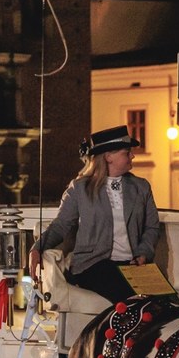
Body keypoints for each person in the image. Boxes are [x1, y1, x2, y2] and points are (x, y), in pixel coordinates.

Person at [28, 125, 160, 303]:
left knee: (163, 300)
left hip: (132, 265)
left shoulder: (141, 187)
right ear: (108, 157)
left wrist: (143, 253)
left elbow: (151, 227)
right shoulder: (80, 188)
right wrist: (37, 248)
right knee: (131, 299)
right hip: (93, 265)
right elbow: (61, 225)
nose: (132, 155)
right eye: (126, 152)